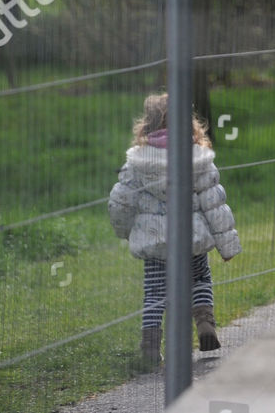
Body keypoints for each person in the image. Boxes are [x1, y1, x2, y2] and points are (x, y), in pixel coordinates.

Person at [108, 93, 240, 366]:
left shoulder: (137, 163)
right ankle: (205, 325)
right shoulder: (199, 159)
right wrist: (227, 247)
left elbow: (120, 201)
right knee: (200, 278)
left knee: (155, 293)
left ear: (147, 125)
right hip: (191, 239)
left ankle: (150, 347)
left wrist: (124, 230)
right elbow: (214, 204)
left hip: (156, 243)